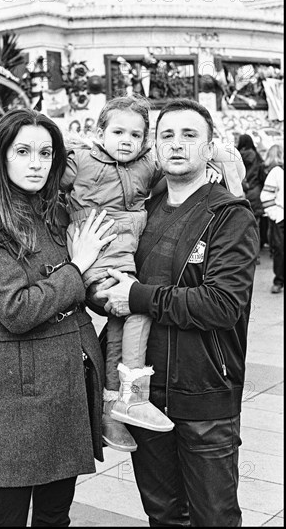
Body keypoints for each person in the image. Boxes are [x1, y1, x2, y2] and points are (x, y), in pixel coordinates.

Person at [0, 108, 116, 527]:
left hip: (68, 383)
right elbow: (17, 309)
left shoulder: (55, 212)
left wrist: (113, 292)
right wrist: (77, 268)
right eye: (23, 151)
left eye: (45, 152)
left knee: (56, 516)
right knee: (6, 518)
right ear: (0, 156)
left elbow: (75, 293)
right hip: (15, 393)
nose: (36, 163)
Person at [94, 98, 259, 527]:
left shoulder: (229, 215)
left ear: (209, 148)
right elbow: (117, 286)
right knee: (163, 514)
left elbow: (222, 304)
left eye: (190, 135)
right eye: (166, 135)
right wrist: (103, 292)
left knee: (214, 517)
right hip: (144, 395)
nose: (177, 144)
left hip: (205, 393)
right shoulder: (140, 211)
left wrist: (138, 297)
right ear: (155, 147)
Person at [61, 94, 246, 454]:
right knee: (135, 311)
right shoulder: (84, 162)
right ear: (99, 133)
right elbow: (46, 176)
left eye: (135, 135)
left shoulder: (222, 211)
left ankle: (112, 406)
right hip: (99, 257)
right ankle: (128, 397)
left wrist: (218, 166)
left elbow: (223, 304)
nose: (125, 141)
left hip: (202, 390)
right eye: (117, 132)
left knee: (122, 321)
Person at [238, 133, 266, 258]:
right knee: (256, 225)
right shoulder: (257, 157)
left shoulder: (236, 156)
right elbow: (262, 177)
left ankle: (243, 252)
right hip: (256, 193)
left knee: (241, 225)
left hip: (241, 192)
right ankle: (256, 254)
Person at [260, 150, 284, 294]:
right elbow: (266, 195)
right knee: (280, 250)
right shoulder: (277, 172)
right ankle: (279, 280)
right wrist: (275, 214)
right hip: (281, 217)